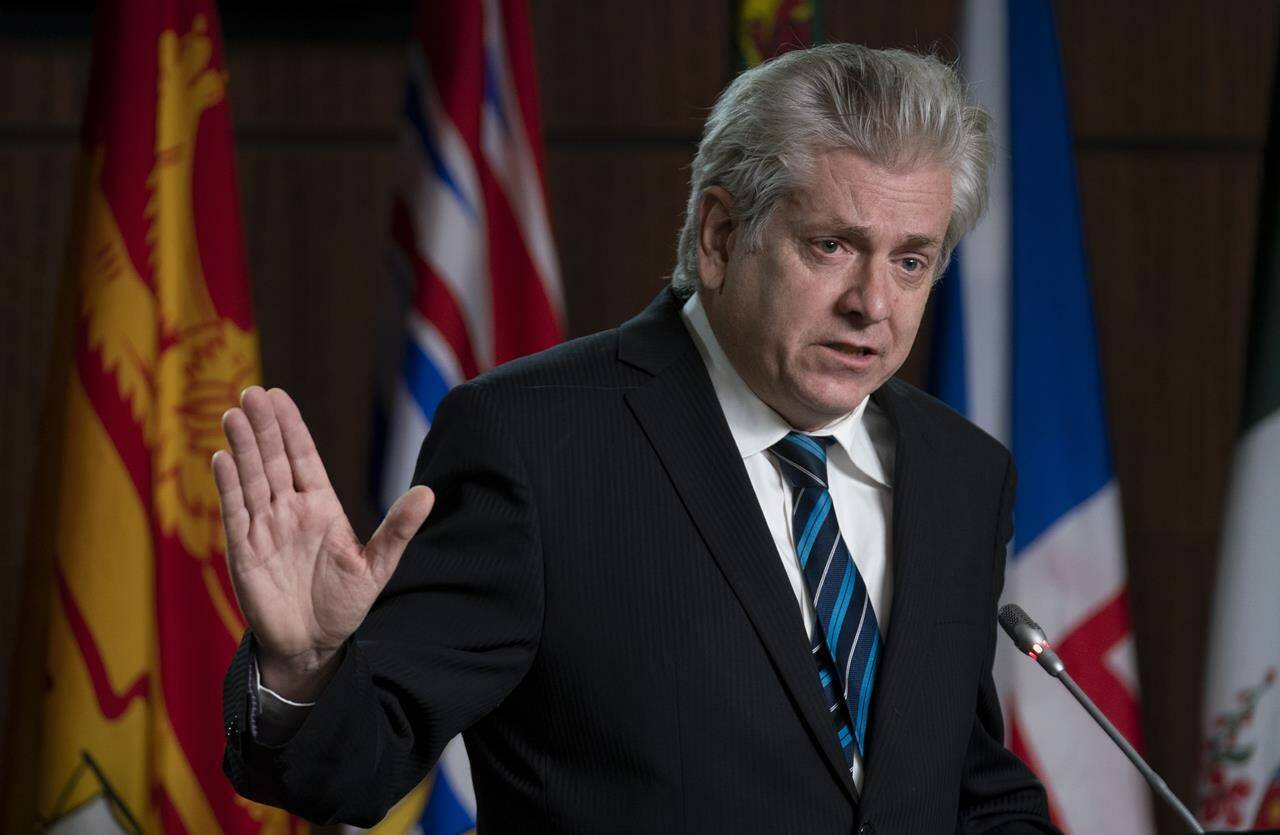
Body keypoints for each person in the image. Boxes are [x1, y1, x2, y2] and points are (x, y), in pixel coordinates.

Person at [217, 43, 1060, 833]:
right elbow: (353, 771)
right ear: (721, 235)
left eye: (911, 261)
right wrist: (307, 668)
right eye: (832, 245)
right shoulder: (534, 443)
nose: (872, 304)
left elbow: (960, 784)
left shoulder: (963, 473)